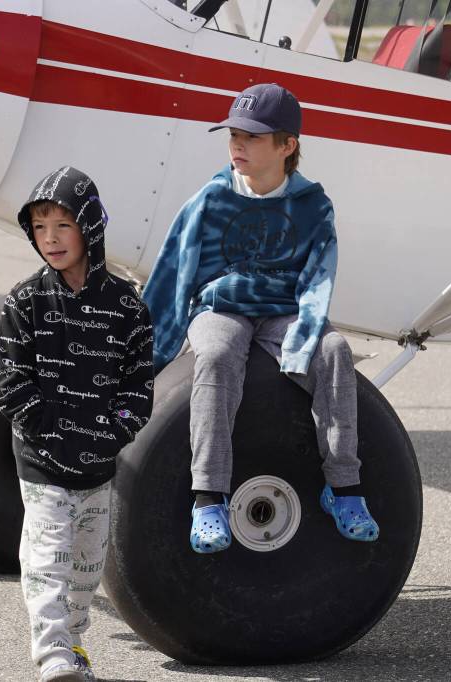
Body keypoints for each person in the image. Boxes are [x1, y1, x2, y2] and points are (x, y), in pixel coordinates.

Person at [142, 83, 379, 554]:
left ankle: (344, 488)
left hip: (284, 311)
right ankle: (208, 498)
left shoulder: (313, 206)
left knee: (334, 351)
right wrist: (145, 355)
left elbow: (317, 279)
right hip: (222, 306)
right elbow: (173, 273)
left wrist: (305, 339)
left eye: (251, 137)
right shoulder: (210, 200)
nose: (237, 145)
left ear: (287, 146)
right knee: (215, 353)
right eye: (233, 134)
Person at [0, 166, 154, 682]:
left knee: (86, 569)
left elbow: (138, 390)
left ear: (89, 226)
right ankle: (53, 652)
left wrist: (108, 435)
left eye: (62, 226)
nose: (51, 240)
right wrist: (54, 434)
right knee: (48, 557)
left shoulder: (128, 307)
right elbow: (8, 384)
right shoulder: (25, 302)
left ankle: (74, 642)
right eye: (40, 228)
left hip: (98, 466)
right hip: (42, 461)